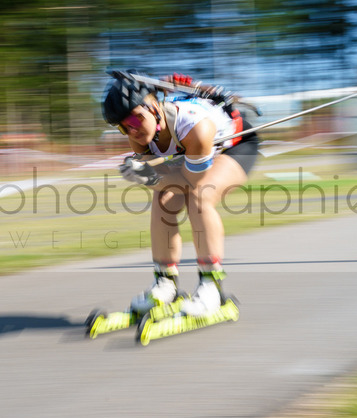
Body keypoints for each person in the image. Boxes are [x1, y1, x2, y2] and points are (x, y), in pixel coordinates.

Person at [102, 71, 260, 317]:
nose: (132, 131)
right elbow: (163, 179)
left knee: (200, 196)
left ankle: (211, 286)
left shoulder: (196, 127)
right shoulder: (140, 136)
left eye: (134, 120)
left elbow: (190, 180)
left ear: (154, 106)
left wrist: (149, 177)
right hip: (191, 151)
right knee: (163, 200)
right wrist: (147, 175)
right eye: (123, 127)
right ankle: (165, 284)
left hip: (236, 145)